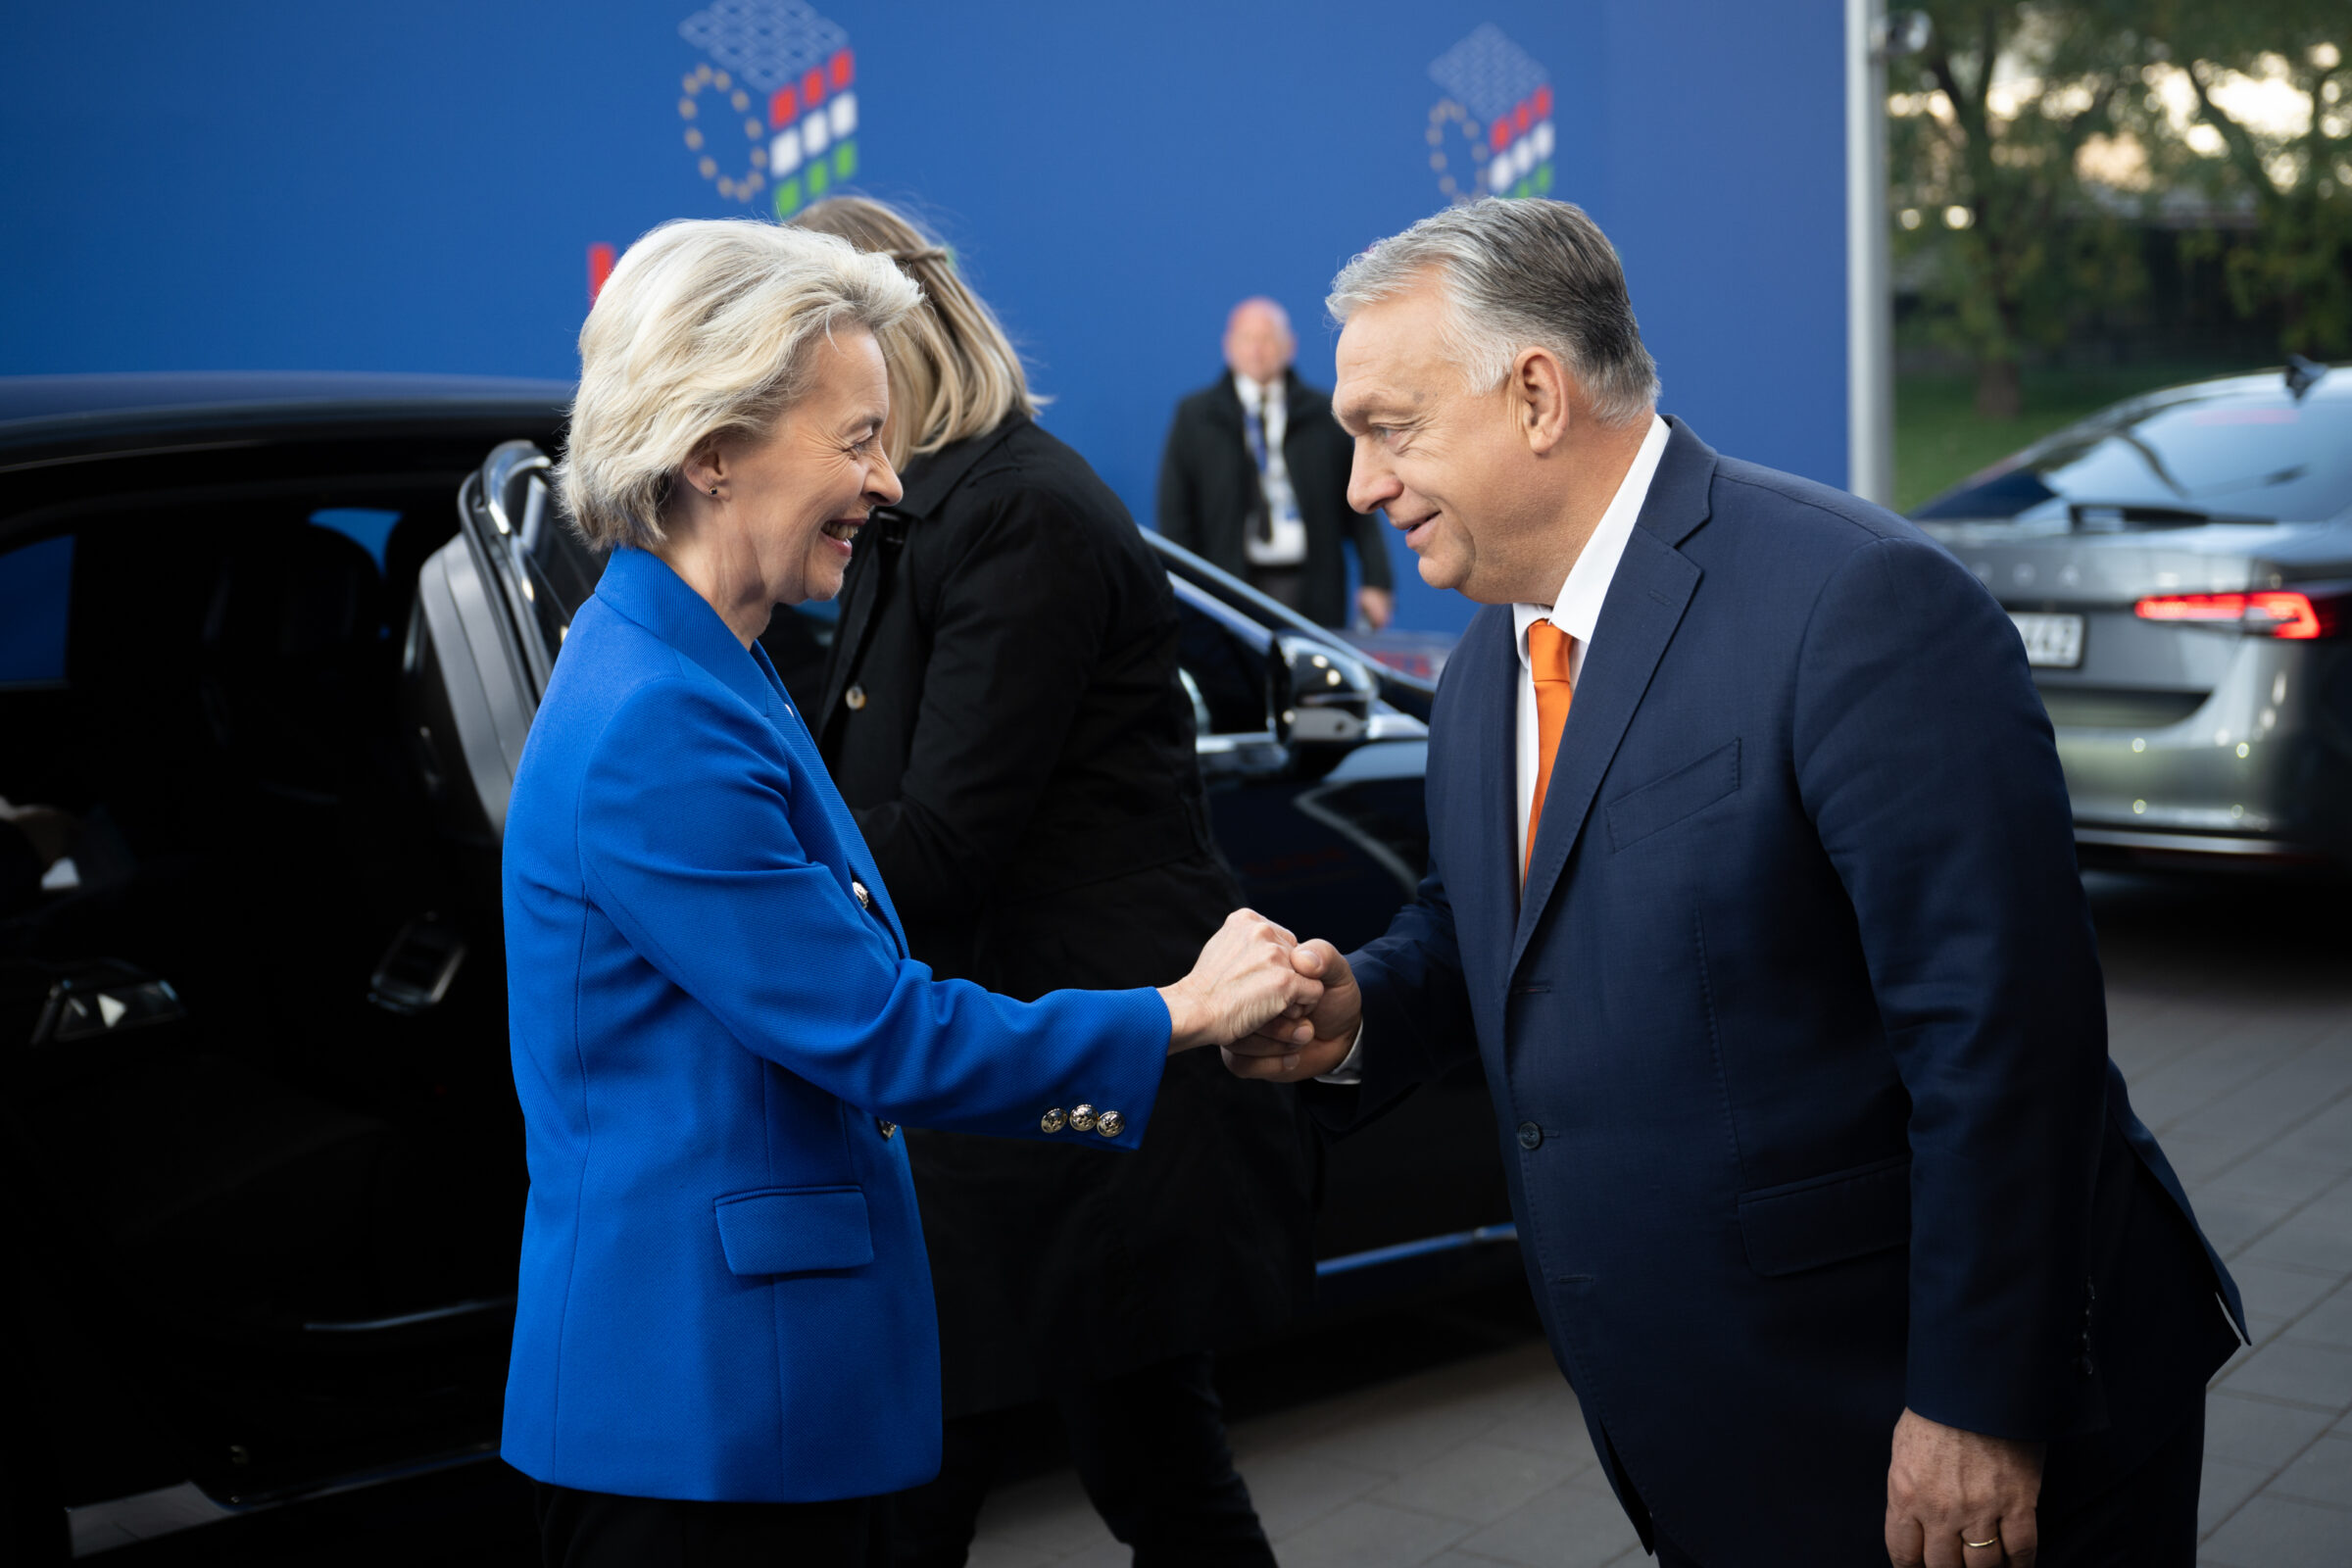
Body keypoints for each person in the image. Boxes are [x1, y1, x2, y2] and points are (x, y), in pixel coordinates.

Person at [1224, 198, 2245, 1568]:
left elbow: (2003, 1041)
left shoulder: (1859, 605)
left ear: (1537, 394)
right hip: (1719, 1434)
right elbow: (1488, 929)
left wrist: (1977, 1400)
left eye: (1387, 429)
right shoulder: (1485, 665)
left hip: (1929, 1427)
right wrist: (1361, 1013)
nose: (1358, 486)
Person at [499, 218, 1321, 1568]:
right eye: (858, 439)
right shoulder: (660, 718)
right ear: (714, 451)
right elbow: (878, 1031)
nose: (889, 484)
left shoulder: (705, 665)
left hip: (751, 1385)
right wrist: (1178, 1011)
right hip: (702, 1420)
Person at [778, 196, 1310, 1568]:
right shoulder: (925, 515)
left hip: (1074, 1094)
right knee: (1136, 1463)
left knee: (997, 1468)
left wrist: (755, 902)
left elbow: (945, 839)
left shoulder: (1017, 515)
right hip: (1030, 1087)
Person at [1157, 297, 1396, 630]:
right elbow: (1176, 512)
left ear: (1290, 346)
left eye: (1267, 339)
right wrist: (1183, 585)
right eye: (1247, 339)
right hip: (1229, 583)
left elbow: (1361, 508)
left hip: (1312, 584)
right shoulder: (1197, 417)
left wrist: (1377, 580)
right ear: (1229, 346)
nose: (1257, 350)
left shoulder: (1325, 414)